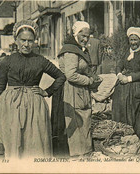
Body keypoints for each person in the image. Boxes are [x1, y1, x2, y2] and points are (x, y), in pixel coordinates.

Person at [0, 20, 66, 159]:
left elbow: (61, 76)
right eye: (23, 40)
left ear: (35, 41)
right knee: (13, 144)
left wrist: (46, 91)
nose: (26, 44)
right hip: (10, 107)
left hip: (35, 107)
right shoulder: (7, 61)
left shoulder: (40, 60)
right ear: (16, 40)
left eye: (30, 41)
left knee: (35, 143)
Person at [51, 21, 97, 157]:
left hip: (79, 90)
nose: (85, 39)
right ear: (75, 34)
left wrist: (92, 76)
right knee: (77, 122)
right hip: (71, 91)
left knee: (83, 121)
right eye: (82, 36)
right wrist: (89, 80)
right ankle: (77, 154)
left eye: (88, 36)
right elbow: (71, 75)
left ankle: (81, 152)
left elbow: (82, 69)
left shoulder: (80, 49)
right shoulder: (70, 50)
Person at [112, 27, 140, 138]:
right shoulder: (126, 53)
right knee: (121, 107)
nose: (133, 43)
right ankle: (123, 133)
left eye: (135, 40)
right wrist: (120, 75)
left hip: (139, 86)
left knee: (138, 113)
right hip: (125, 85)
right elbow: (119, 66)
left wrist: (128, 79)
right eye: (131, 40)